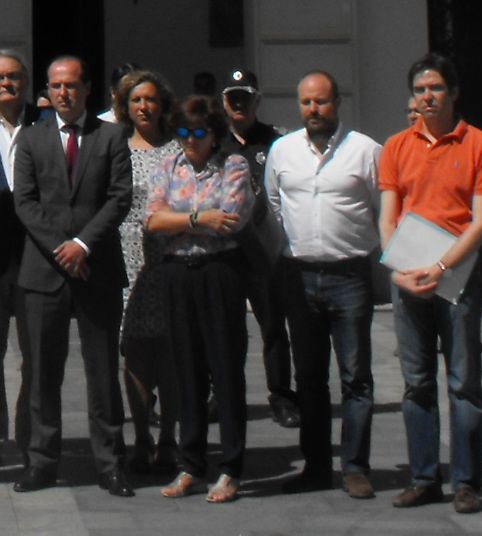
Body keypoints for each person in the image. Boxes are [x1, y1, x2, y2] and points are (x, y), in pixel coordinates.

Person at [379, 52, 482, 515]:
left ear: (453, 93)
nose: (427, 97)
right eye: (420, 90)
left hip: (458, 277)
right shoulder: (396, 146)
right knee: (416, 382)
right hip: (409, 276)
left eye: (435, 88)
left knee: (464, 382)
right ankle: (424, 478)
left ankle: (466, 482)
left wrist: (443, 266)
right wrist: (396, 270)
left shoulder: (481, 145)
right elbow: (388, 215)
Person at [12, 55, 132, 496]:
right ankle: (42, 462)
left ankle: (110, 463)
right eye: (56, 86)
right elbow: (25, 202)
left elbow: (119, 197)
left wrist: (82, 244)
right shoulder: (31, 138)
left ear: (86, 89)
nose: (64, 93)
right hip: (44, 271)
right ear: (47, 90)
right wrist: (61, 248)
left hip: (97, 267)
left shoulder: (111, 136)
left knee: (103, 372)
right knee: (43, 373)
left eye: (72, 85)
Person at [265, 69, 382, 499]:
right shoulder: (282, 150)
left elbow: (383, 207)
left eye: (321, 101)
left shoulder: (365, 151)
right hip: (299, 276)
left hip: (350, 276)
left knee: (356, 376)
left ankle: (355, 467)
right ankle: (316, 466)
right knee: (309, 377)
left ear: (338, 103)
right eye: (306, 102)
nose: (313, 109)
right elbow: (273, 204)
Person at [145, 94, 253, 503]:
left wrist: (179, 221)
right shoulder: (168, 166)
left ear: (214, 133)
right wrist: (197, 218)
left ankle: (231, 468)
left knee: (225, 368)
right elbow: (152, 220)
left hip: (219, 272)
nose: (190, 140)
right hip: (177, 272)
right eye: (183, 131)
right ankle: (190, 463)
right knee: (185, 369)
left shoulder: (233, 165)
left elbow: (230, 219)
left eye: (199, 132)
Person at [219, 68, 296, 428]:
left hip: (264, 251)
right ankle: (223, 395)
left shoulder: (277, 142)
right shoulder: (215, 142)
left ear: (257, 100)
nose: (239, 104)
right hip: (226, 250)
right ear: (223, 101)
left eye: (245, 97)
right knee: (226, 330)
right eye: (233, 97)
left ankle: (281, 395)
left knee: (273, 327)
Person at [114, 68, 180, 478]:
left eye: (151, 99)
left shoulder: (177, 149)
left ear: (162, 104)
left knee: (170, 353)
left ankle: (169, 437)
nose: (144, 107)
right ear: (126, 106)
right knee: (135, 353)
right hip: (128, 259)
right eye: (136, 100)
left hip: (170, 258)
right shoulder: (116, 148)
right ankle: (141, 437)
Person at [0, 48, 39, 466]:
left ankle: (31, 436)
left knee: (34, 352)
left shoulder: (45, 123)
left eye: (14, 76)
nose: (7, 83)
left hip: (36, 251)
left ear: (25, 81)